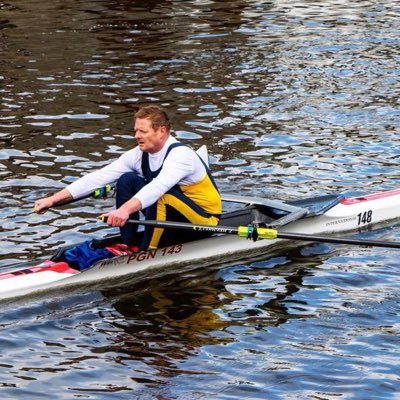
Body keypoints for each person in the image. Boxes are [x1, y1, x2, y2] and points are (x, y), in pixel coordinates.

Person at [34, 105, 222, 250]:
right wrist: (52, 200)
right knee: (126, 179)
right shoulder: (139, 154)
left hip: (203, 222)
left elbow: (157, 188)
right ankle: (128, 243)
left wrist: (123, 211)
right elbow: (98, 177)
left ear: (162, 131)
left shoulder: (181, 155)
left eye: (143, 131)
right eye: (135, 131)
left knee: (160, 194)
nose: (137, 136)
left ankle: (146, 253)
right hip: (174, 217)